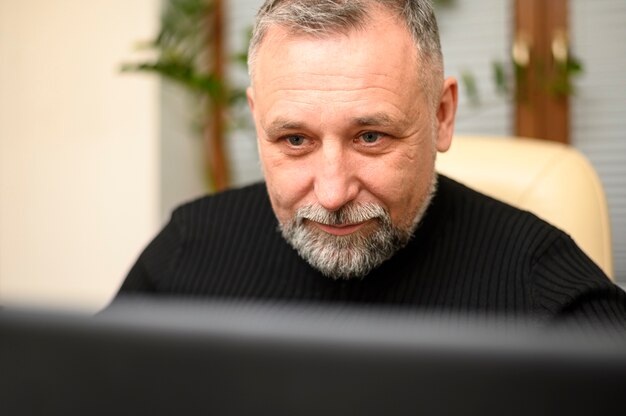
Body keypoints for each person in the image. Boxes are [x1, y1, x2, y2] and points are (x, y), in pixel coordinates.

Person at [117, 0, 625, 326]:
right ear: (257, 120)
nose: (333, 194)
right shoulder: (188, 251)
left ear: (442, 115)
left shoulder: (550, 299)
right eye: (295, 139)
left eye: (370, 136)